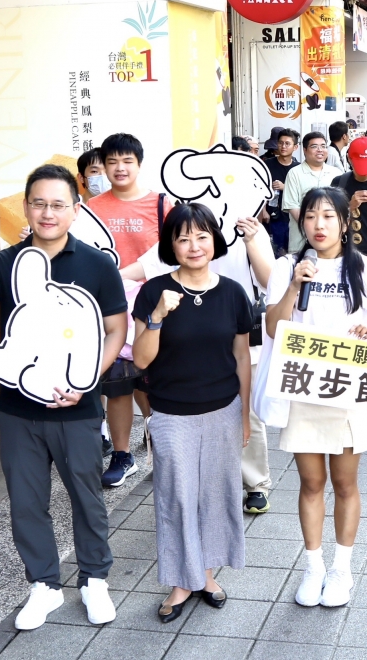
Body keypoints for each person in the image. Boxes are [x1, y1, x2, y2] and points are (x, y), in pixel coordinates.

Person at [0, 164, 126, 630]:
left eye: (58, 204)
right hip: (17, 410)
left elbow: (116, 330)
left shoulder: (96, 263)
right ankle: (44, 585)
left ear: (76, 209)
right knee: (27, 501)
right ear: (26, 207)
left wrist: (87, 380)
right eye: (39, 203)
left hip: (78, 409)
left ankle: (94, 580)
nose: (48, 213)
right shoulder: (3, 264)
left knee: (87, 497)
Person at [264, 186, 367, 608]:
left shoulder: (366, 270)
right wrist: (294, 286)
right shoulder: (288, 267)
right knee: (311, 482)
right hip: (303, 385)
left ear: (344, 222)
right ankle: (313, 566)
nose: (319, 225)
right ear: (302, 223)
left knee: (344, 481)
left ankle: (342, 569)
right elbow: (272, 328)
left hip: (349, 388)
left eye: (328, 216)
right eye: (312, 217)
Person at [131, 203, 253, 622]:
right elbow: (143, 360)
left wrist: (245, 414)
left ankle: (206, 573)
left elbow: (242, 357)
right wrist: (159, 314)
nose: (193, 245)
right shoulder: (154, 291)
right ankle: (182, 581)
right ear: (170, 245)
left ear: (214, 241)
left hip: (223, 408)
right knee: (176, 496)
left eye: (201, 236)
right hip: (170, 412)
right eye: (182, 238)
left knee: (216, 494)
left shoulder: (234, 292)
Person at [87, 133, 162, 487]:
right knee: (117, 385)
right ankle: (122, 454)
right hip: (110, 310)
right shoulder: (90, 209)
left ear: (139, 164)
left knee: (155, 383)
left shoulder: (162, 206)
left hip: (155, 307)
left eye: (127, 161)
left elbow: (172, 253)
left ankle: (161, 446)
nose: (119, 168)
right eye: (112, 161)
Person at [331, 137, 367, 272]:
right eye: (361, 164)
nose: (366, 172)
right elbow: (331, 223)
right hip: (343, 260)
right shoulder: (339, 183)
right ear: (349, 159)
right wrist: (349, 206)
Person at [283, 132, 341, 254]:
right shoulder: (294, 173)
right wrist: (314, 228)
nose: (320, 150)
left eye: (323, 146)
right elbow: (293, 207)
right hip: (301, 242)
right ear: (304, 150)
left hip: (331, 243)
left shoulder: (336, 173)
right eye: (314, 146)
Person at [263, 128, 300, 255]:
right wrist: (263, 211)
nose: (283, 146)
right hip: (273, 215)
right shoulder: (267, 164)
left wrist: (285, 187)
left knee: (292, 251)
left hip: (292, 215)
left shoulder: (298, 168)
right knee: (275, 251)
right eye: (280, 143)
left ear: (295, 147)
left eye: (287, 143)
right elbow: (260, 189)